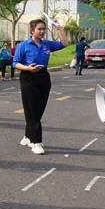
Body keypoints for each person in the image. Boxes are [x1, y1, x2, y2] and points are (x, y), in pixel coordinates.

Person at [13, 17, 67, 155]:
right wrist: (27, 68)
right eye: (39, 29)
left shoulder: (47, 44)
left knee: (38, 110)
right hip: (28, 77)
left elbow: (64, 43)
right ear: (32, 30)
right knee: (32, 110)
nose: (42, 31)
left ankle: (27, 136)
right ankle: (36, 142)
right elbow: (15, 63)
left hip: (43, 77)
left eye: (44, 29)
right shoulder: (23, 45)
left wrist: (58, 27)